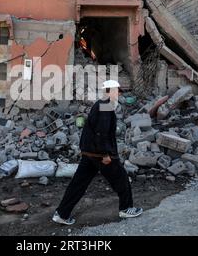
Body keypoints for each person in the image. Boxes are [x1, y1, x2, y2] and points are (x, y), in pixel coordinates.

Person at [52, 80, 143, 226]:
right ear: (110, 90)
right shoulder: (105, 106)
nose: (119, 93)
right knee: (121, 179)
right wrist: (106, 154)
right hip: (100, 154)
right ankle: (126, 208)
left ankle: (62, 213)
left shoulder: (100, 104)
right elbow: (101, 133)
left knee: (78, 183)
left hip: (89, 153)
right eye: (117, 90)